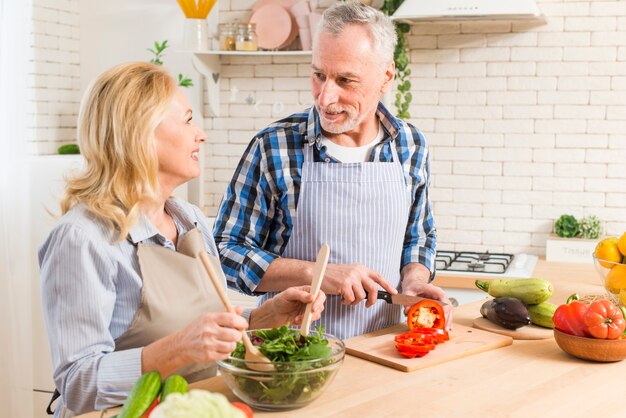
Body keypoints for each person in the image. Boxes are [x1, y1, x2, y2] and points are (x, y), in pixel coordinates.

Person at [39, 62, 326, 417]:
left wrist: (263, 318)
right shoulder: (83, 238)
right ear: (141, 133)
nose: (201, 135)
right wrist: (177, 348)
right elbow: (77, 384)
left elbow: (206, 326)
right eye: (188, 120)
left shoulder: (187, 217)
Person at [213, 2, 451, 341]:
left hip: (386, 347)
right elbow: (223, 252)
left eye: (345, 80)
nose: (325, 97)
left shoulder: (410, 145)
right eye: (319, 75)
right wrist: (318, 274)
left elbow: (418, 237)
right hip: (294, 351)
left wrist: (414, 280)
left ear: (386, 75)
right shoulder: (274, 146)